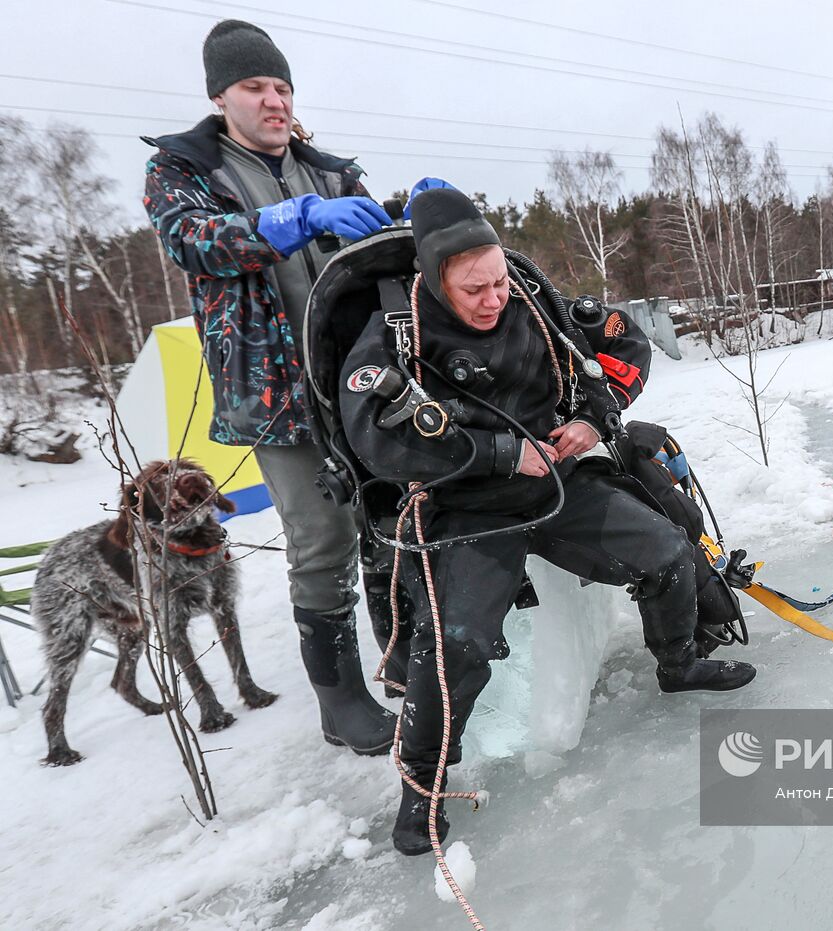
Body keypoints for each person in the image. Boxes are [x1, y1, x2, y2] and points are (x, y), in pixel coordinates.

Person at [338, 187, 756, 855]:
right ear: (436, 278)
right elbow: (376, 441)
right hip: (467, 506)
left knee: (669, 552)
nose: (493, 297)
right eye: (474, 288)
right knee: (456, 644)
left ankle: (678, 664)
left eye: (499, 279)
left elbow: (601, 361)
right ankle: (422, 787)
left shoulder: (529, 296)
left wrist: (594, 420)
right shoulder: (397, 329)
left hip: (559, 484)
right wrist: (503, 453)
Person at [142, 19, 408, 754]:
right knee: (320, 539)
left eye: (283, 86)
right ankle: (340, 699)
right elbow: (192, 239)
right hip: (272, 392)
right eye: (256, 87)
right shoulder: (183, 170)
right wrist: (289, 218)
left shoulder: (328, 168)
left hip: (357, 379)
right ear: (220, 95)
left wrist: (414, 212)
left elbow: (380, 239)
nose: (274, 100)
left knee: (386, 517)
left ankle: (397, 661)